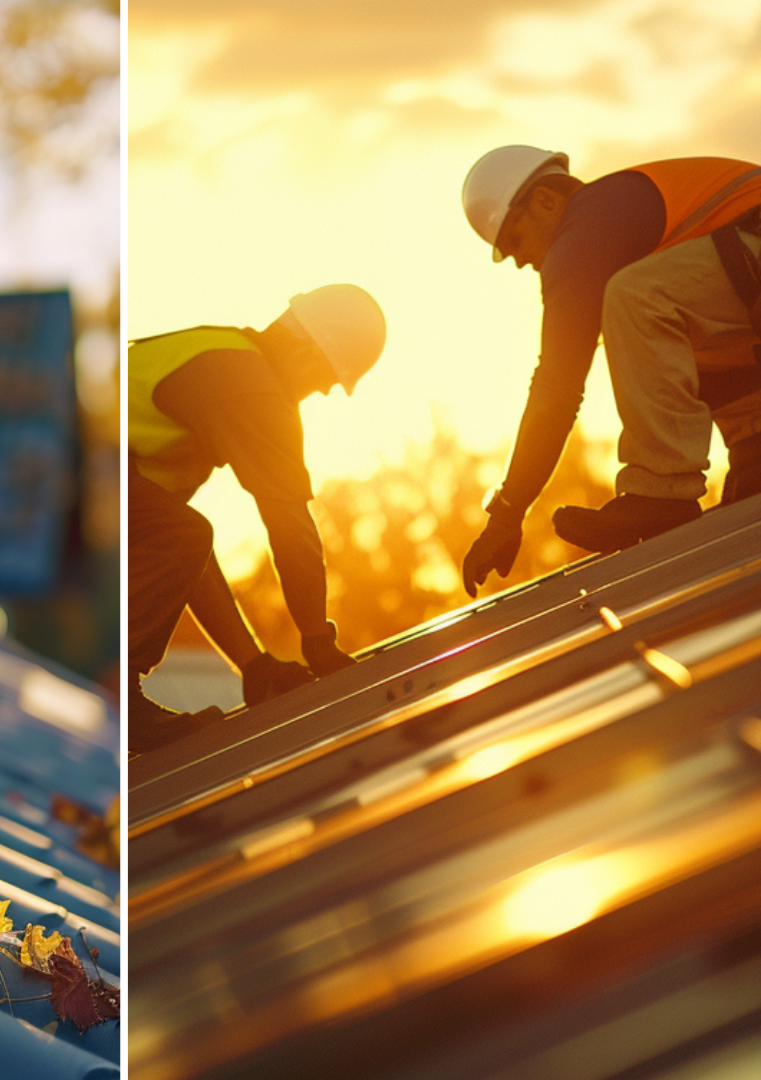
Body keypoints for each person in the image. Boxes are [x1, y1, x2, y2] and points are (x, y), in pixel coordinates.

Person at [460, 147, 761, 594]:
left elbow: (556, 389)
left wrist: (507, 513)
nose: (520, 261)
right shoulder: (626, 223)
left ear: (544, 200)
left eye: (515, 241)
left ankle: (660, 492)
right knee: (658, 318)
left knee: (635, 296)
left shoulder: (587, 228)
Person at [129, 285, 387, 753]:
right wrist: (316, 639)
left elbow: (184, 553)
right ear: (309, 354)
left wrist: (253, 664)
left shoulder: (226, 355)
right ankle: (121, 696)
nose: (327, 390)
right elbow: (289, 521)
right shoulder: (251, 385)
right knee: (185, 531)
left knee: (185, 532)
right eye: (331, 377)